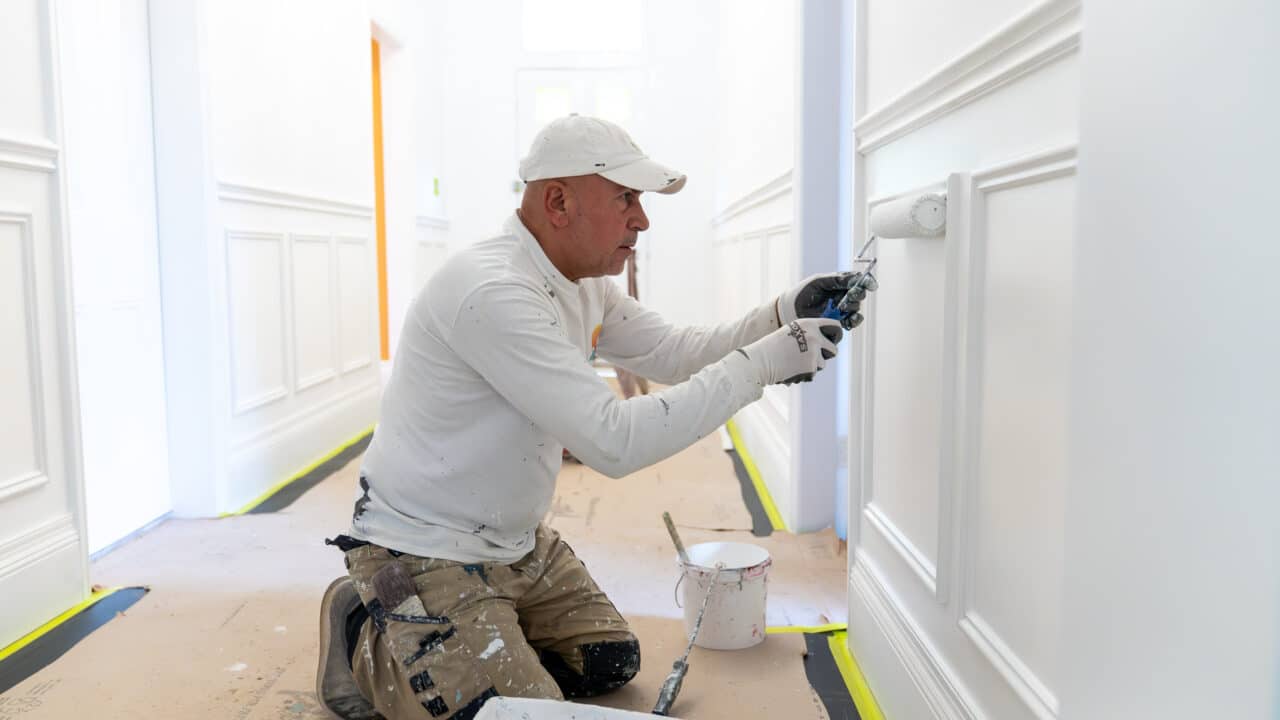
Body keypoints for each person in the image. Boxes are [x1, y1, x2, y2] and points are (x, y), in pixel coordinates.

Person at [316, 115, 875, 720]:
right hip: (421, 548)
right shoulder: (493, 291)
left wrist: (779, 314)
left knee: (608, 662)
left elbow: (674, 351)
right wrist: (760, 366)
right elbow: (614, 442)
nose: (642, 219)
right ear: (558, 202)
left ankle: (463, 641)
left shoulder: (582, 281)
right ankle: (368, 636)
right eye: (627, 199)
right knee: (510, 714)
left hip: (516, 546)